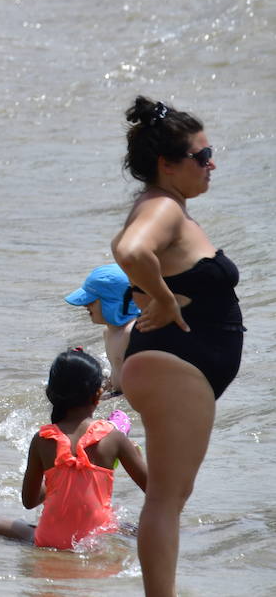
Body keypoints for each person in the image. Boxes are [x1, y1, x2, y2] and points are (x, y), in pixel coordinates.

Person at [112, 96, 243, 595]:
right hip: (174, 365)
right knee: (166, 500)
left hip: (174, 366)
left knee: (170, 495)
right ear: (166, 164)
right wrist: (164, 300)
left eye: (211, 154)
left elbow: (139, 255)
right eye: (201, 157)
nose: (211, 165)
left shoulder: (166, 208)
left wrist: (158, 291)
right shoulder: (163, 208)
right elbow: (128, 250)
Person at [0, 349, 147, 548]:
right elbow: (154, 490)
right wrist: (135, 455)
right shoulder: (114, 438)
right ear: (97, 394)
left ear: (51, 394)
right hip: (94, 540)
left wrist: (58, 479)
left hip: (49, 539)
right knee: (125, 527)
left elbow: (29, 501)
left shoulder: (42, 439)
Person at [64, 264, 140, 396]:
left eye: (91, 300)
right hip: (118, 394)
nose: (85, 304)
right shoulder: (108, 332)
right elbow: (117, 375)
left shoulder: (132, 332)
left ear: (112, 303)